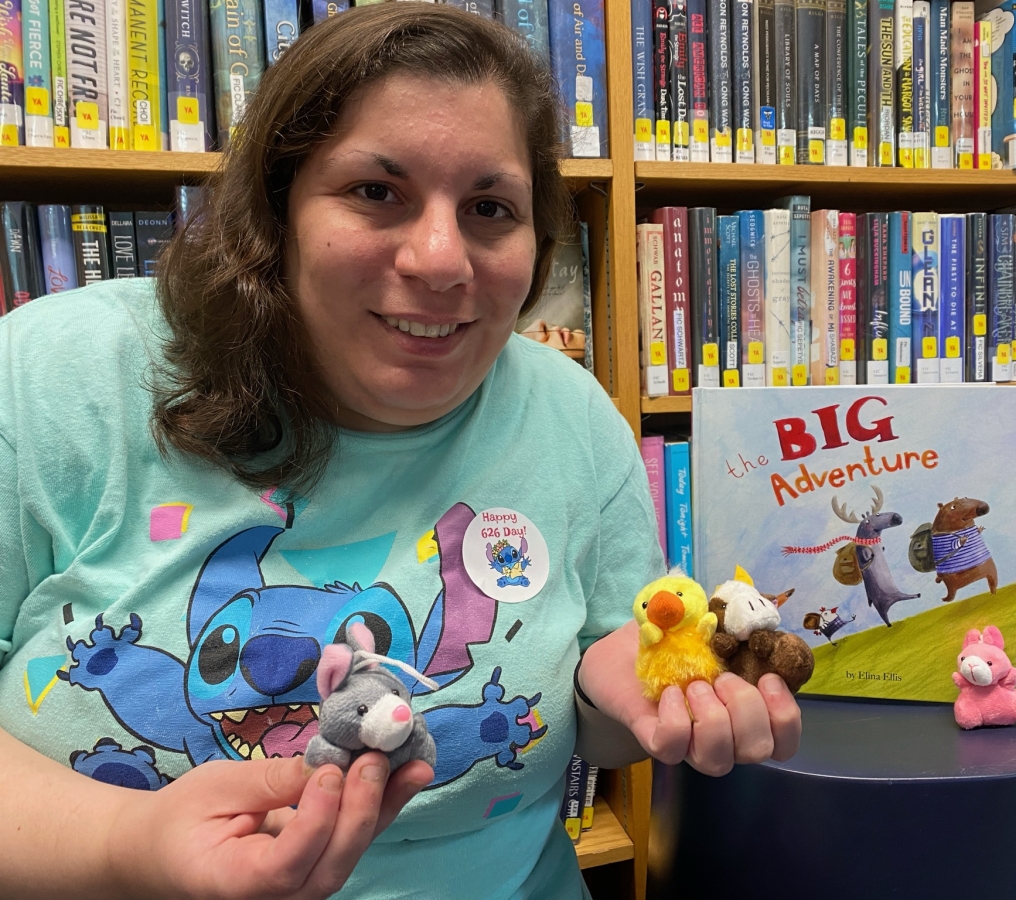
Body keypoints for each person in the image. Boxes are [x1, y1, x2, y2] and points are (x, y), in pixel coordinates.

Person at [0, 5, 801, 898]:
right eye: (377, 192)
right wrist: (123, 845)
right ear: (276, 210)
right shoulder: (54, 376)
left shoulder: (570, 414)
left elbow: (597, 726)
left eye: (491, 208)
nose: (439, 258)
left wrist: (625, 693)